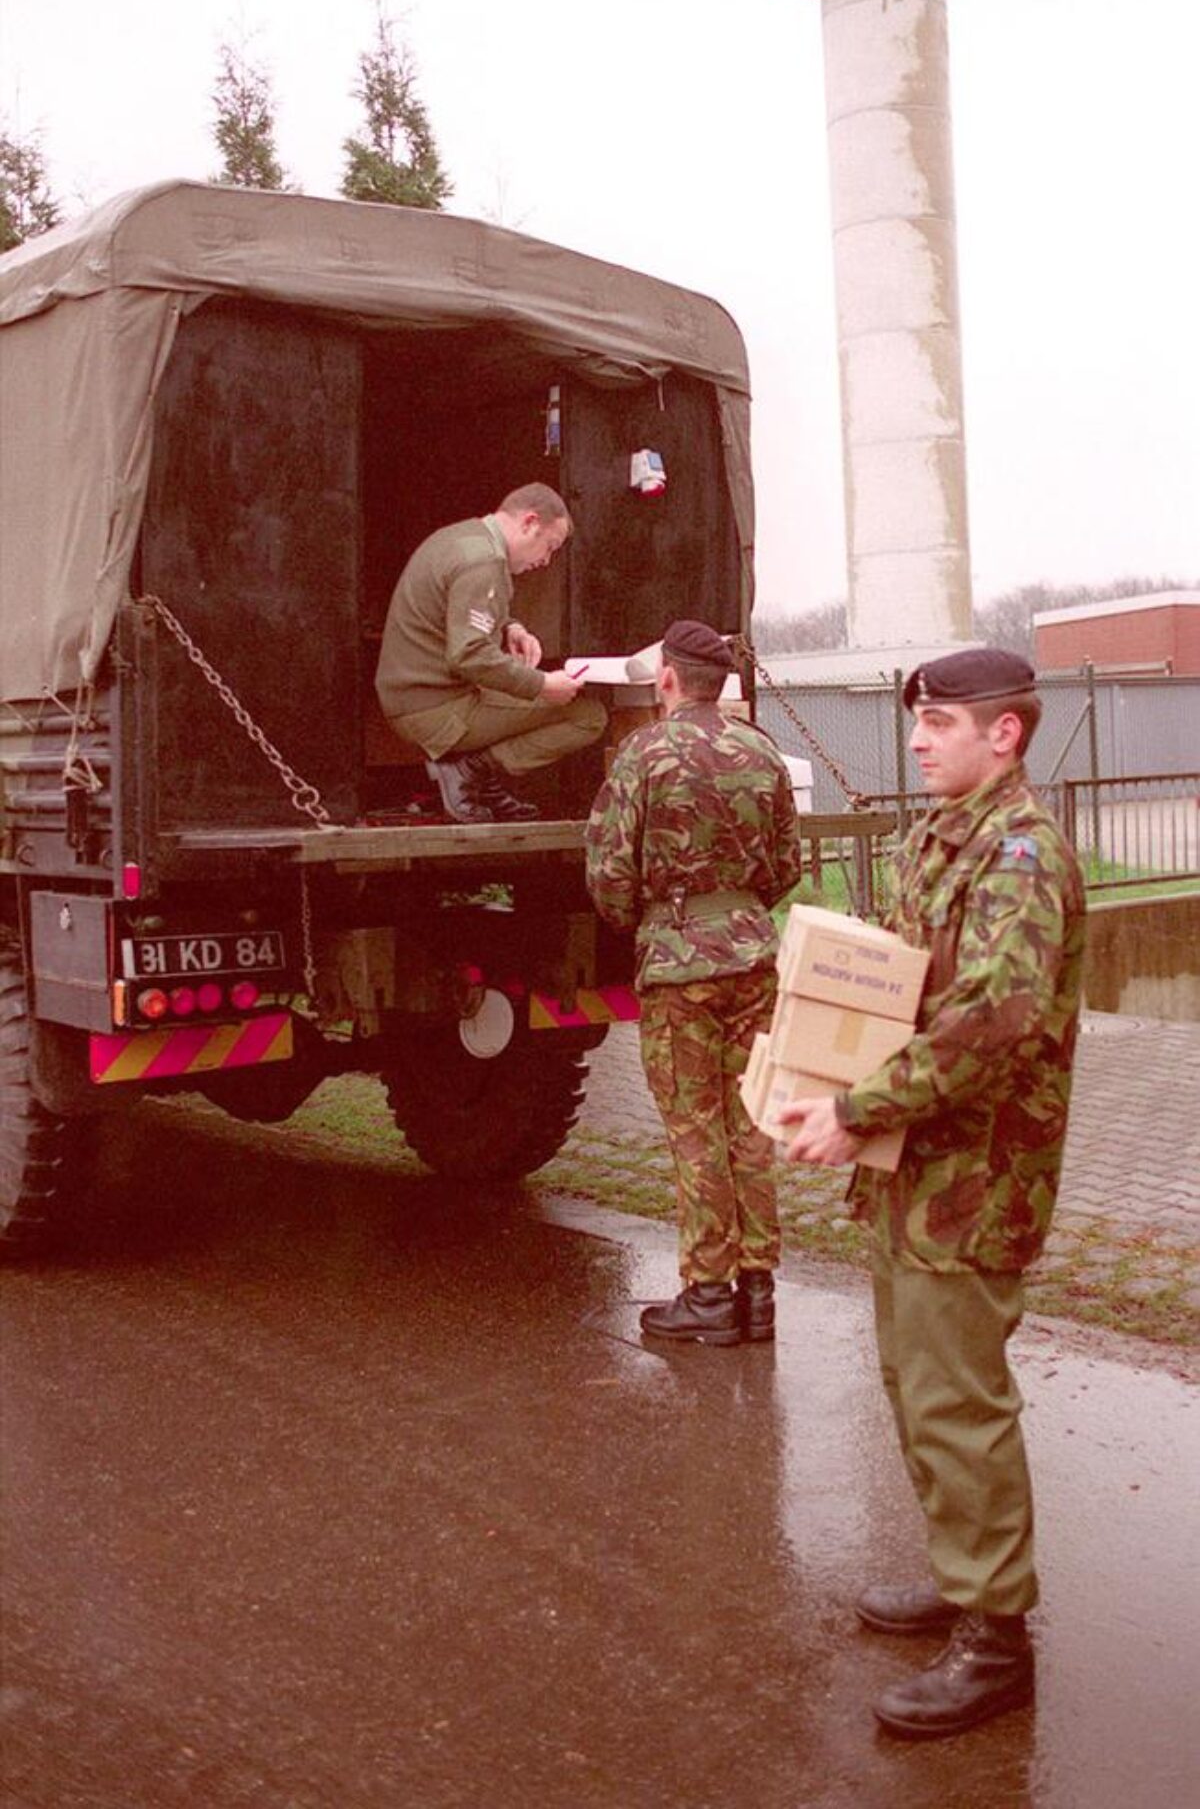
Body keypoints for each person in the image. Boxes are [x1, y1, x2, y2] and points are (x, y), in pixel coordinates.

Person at [780, 647, 1086, 1740]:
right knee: (915, 1383)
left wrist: (857, 1106)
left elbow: (993, 1019)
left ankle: (998, 1641)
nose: (916, 740)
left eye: (941, 723)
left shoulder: (1019, 853)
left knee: (958, 1400)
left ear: (1005, 733)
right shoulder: (944, 836)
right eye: (918, 721)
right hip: (916, 1165)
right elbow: (905, 991)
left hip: (978, 1175)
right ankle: (966, 1578)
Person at [585, 619, 803, 1346]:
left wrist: (654, 924)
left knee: (695, 1130)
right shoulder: (762, 752)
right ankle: (758, 1292)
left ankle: (709, 1293)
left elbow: (609, 872)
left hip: (680, 967)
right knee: (751, 1126)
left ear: (669, 679)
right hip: (753, 959)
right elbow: (787, 864)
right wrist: (736, 914)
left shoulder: (644, 754)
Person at [375, 483, 607, 821]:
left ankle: (474, 775)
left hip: (416, 699)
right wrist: (542, 685)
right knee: (587, 716)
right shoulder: (484, 562)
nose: (546, 561)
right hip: (436, 711)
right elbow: (469, 655)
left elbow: (455, 609)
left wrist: (511, 627)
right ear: (530, 522)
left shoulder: (462, 539)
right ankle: (471, 771)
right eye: (550, 546)